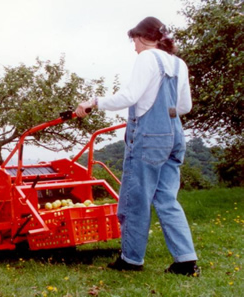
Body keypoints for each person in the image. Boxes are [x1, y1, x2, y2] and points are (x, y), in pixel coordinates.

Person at [76, 16, 200, 276]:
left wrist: (93, 102)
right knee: (167, 198)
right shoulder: (179, 64)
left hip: (149, 139)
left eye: (134, 40)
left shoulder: (147, 58)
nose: (134, 47)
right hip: (174, 136)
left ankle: (131, 260)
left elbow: (130, 95)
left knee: (136, 199)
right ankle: (186, 261)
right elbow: (185, 107)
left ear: (143, 37)